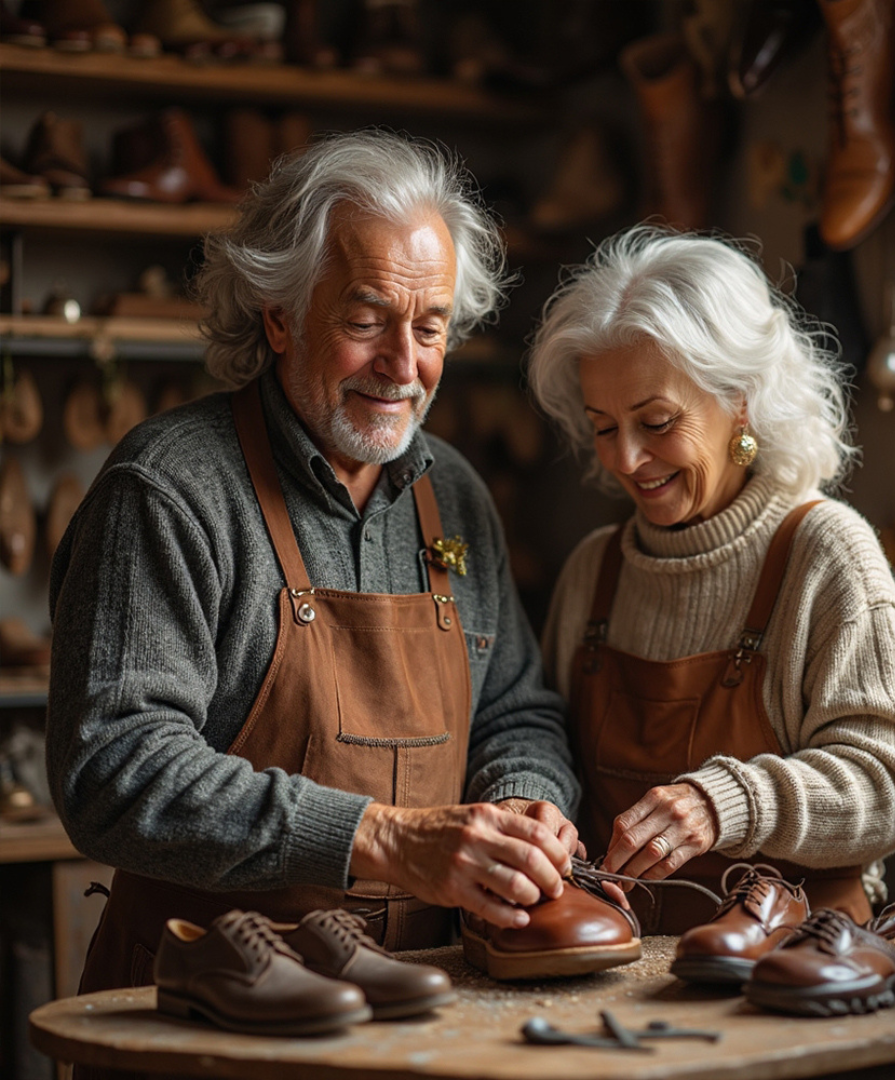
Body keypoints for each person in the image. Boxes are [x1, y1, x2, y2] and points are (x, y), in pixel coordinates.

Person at [46, 130, 583, 993]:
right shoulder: (168, 490)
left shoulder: (456, 495)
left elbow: (517, 710)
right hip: (207, 999)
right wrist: (384, 839)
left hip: (431, 993)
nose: (403, 366)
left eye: (430, 327)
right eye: (365, 322)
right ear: (280, 315)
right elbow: (114, 771)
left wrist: (527, 804)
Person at [528, 225, 895, 933]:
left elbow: (892, 790)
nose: (626, 459)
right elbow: (551, 751)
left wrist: (731, 801)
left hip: (793, 955)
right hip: (613, 951)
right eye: (604, 427)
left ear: (740, 401)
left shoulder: (826, 554)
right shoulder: (595, 569)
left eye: (657, 421)